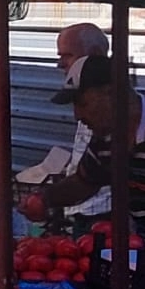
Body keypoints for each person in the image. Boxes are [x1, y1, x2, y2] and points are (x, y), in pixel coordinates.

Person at [22, 54, 145, 227]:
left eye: (82, 104)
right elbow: (84, 182)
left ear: (112, 93)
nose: (77, 116)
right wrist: (45, 198)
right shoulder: (105, 140)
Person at [55, 22, 111, 217]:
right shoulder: (83, 92)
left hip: (104, 213)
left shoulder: (103, 107)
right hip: (82, 211)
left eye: (67, 55)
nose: (60, 64)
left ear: (95, 53)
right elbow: (87, 176)